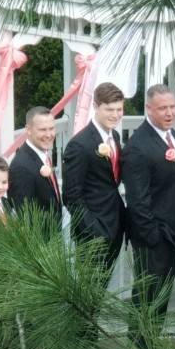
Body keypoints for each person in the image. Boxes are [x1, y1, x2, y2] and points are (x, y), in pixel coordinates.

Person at [121, 84, 175, 342]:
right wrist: (153, 236)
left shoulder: (170, 136)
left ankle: (151, 343)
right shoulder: (138, 146)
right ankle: (140, 348)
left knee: (161, 294)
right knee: (148, 294)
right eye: (163, 108)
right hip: (152, 236)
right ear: (149, 109)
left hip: (169, 231)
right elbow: (138, 200)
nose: (170, 113)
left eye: (172, 107)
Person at [61, 82, 127, 280]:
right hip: (92, 233)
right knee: (88, 294)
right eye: (109, 109)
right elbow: (72, 197)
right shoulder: (79, 145)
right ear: (96, 107)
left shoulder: (113, 136)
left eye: (119, 109)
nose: (115, 115)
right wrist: (95, 231)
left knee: (101, 289)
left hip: (115, 224)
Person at [9, 106, 63, 229]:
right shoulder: (21, 167)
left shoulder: (41, 155)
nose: (49, 134)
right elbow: (26, 218)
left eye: (51, 128)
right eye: (42, 130)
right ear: (28, 130)